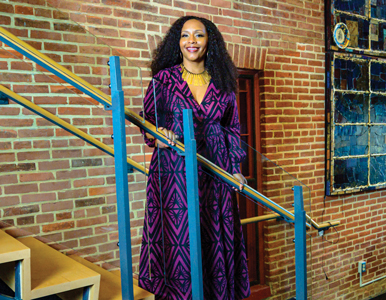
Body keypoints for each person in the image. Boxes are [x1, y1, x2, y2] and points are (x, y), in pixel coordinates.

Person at [138, 15, 251, 300]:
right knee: (181, 238)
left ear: (209, 41)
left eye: (198, 35)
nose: (192, 41)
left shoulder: (223, 82)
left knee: (214, 238)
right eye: (185, 35)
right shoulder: (162, 80)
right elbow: (148, 120)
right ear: (177, 42)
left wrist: (235, 168)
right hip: (174, 173)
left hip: (216, 171)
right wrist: (159, 133)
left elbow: (232, 128)